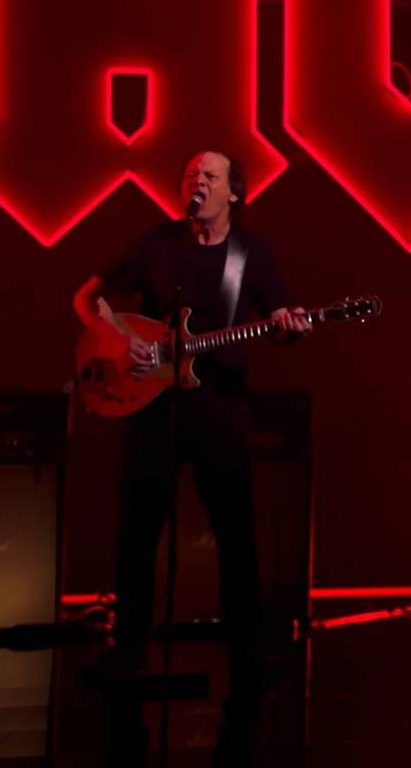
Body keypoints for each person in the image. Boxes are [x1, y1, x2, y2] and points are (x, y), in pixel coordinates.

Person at [73, 150, 310, 677]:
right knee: (137, 531)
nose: (196, 181)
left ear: (233, 193)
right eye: (189, 175)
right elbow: (88, 297)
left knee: (236, 531)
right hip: (152, 406)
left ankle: (247, 653)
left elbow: (278, 318)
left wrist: (291, 326)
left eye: (209, 175)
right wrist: (117, 339)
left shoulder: (251, 253)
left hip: (220, 408)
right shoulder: (157, 243)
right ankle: (129, 649)